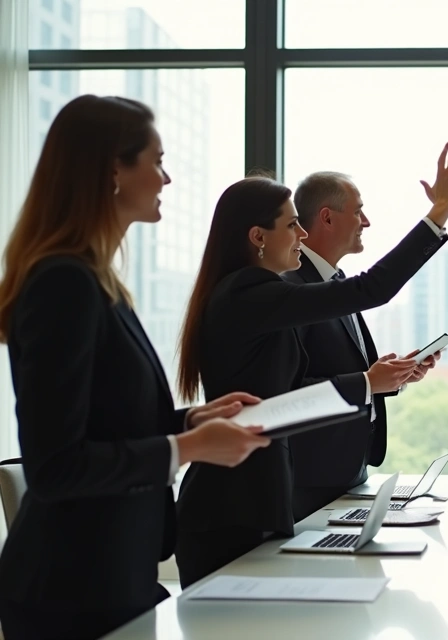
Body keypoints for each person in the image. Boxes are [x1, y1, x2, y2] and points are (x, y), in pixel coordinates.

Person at [0, 96, 269, 639]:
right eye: (157, 160)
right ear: (113, 172)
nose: (167, 179)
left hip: (115, 576)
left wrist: (188, 422)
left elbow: (106, 421)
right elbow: (55, 466)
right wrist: (188, 449)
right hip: (70, 592)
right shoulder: (63, 283)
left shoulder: (98, 282)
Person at [174, 142, 448, 587]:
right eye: (292, 225)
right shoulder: (248, 292)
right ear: (258, 237)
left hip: (260, 501)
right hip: (230, 508)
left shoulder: (254, 296)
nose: (303, 235)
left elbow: (289, 399)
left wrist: (374, 382)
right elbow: (373, 289)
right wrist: (438, 213)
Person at [284, 171, 439, 520]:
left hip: (348, 474)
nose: (366, 222)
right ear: (327, 217)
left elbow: (344, 370)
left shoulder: (335, 280)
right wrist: (369, 382)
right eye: (358, 212)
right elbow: (288, 392)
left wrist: (393, 375)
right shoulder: (294, 289)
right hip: (311, 482)